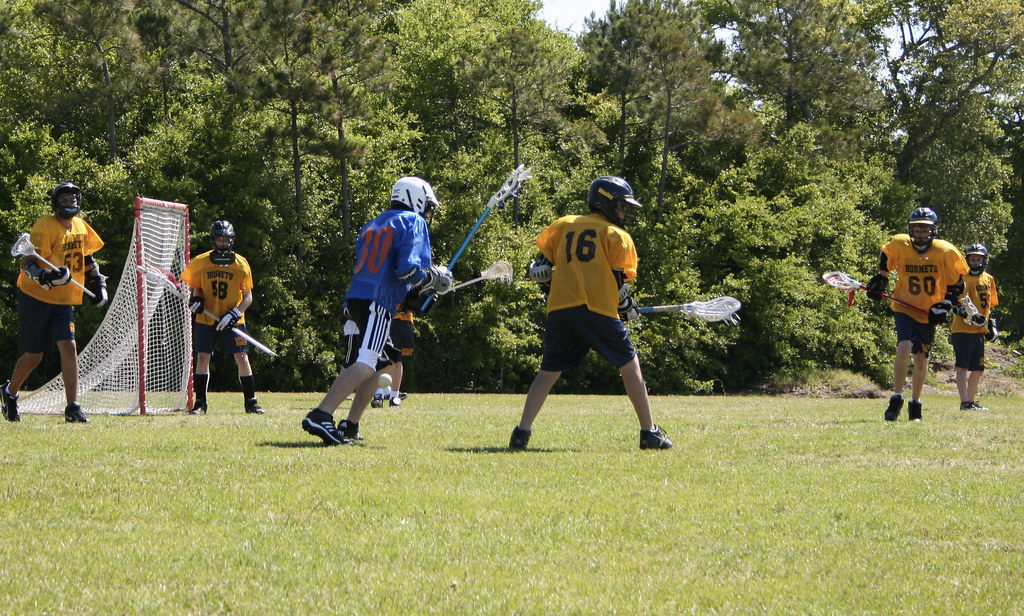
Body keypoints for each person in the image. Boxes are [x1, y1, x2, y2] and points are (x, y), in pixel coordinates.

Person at [508, 176, 672, 450]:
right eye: (620, 206)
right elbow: (618, 284)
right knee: (630, 364)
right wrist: (624, 307)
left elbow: (541, 268)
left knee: (548, 371)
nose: (623, 211)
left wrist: (548, 283)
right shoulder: (617, 236)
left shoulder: (564, 224)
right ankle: (649, 432)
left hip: (560, 308)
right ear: (605, 202)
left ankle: (521, 433)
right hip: (597, 308)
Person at [301, 176, 452, 445]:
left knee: (383, 360)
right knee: (368, 361)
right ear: (415, 198)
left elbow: (384, 267)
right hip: (377, 300)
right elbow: (406, 269)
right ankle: (321, 414)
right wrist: (433, 279)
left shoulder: (375, 222)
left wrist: (414, 292)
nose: (427, 212)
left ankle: (351, 425)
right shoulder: (412, 221)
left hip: (358, 296)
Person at [2, 182, 107, 423]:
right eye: (64, 199)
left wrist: (97, 282)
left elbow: (87, 258)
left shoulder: (80, 226)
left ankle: (72, 406)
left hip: (62, 300)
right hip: (35, 297)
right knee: (34, 356)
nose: (69, 203)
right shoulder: (45, 225)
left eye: (73, 199)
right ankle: (9, 392)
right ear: (55, 203)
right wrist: (47, 276)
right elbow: (28, 263)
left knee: (69, 347)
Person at [865, 207, 969, 422]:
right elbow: (886, 255)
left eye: (925, 229)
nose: (921, 233)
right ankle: (896, 398)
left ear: (933, 230)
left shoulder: (945, 251)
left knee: (921, 359)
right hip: (904, 306)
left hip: (927, 311)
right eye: (917, 229)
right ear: (910, 229)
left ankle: (915, 404)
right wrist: (882, 277)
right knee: (904, 346)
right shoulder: (900, 244)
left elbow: (958, 283)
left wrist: (946, 303)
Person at [180, 220, 264, 415]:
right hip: (207, 320)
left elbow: (248, 296)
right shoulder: (201, 262)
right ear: (213, 240)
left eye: (226, 240)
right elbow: (196, 288)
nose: (223, 243)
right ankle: (200, 403)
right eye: (219, 239)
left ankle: (251, 402)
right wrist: (197, 300)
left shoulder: (241, 263)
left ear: (232, 240)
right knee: (203, 357)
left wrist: (235, 313)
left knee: (242, 357)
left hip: (234, 320)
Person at [951, 243, 1000, 411]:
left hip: (980, 330)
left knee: (978, 368)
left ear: (984, 260)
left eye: (978, 259)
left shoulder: (989, 278)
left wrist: (991, 325)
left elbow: (989, 306)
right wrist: (970, 317)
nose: (975, 262)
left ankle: (970, 401)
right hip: (963, 329)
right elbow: (955, 305)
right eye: (972, 259)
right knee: (962, 366)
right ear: (967, 260)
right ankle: (964, 402)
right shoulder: (961, 278)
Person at [371, 309, 415, 408]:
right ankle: (378, 395)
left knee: (398, 359)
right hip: (385, 319)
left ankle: (394, 397)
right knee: (381, 357)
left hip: (403, 320)